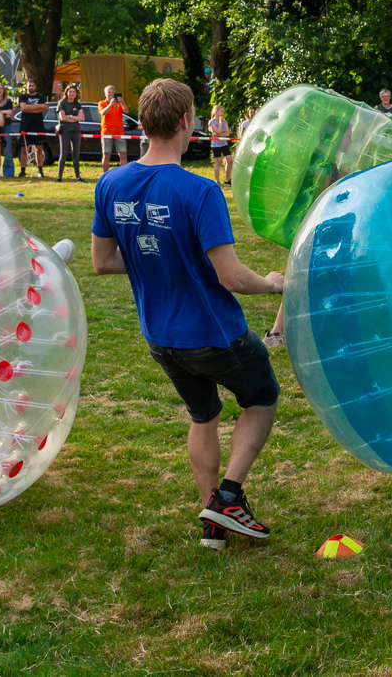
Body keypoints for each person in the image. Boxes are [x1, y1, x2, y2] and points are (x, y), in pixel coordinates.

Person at [91, 78, 286, 551]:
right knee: (262, 398)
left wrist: (154, 260)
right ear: (185, 121)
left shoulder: (110, 183)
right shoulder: (198, 191)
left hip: (161, 336)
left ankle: (213, 524)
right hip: (214, 333)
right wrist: (274, 284)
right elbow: (233, 278)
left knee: (203, 415)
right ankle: (228, 499)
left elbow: (103, 262)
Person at [17, 81, 51, 177]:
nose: (31, 87)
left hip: (38, 125)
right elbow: (23, 107)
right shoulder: (22, 97)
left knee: (39, 149)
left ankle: (40, 171)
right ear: (26, 86)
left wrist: (28, 108)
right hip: (26, 126)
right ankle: (23, 171)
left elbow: (41, 109)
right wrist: (39, 106)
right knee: (24, 149)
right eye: (29, 85)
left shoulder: (40, 97)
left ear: (36, 86)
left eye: (33, 85)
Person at [56, 82, 86, 181]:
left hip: (76, 131)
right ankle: (59, 177)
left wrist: (71, 116)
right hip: (65, 131)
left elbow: (82, 118)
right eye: (70, 92)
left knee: (76, 154)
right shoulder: (62, 103)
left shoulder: (77, 104)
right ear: (66, 93)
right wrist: (74, 118)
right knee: (63, 153)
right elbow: (62, 117)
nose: (72, 93)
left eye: (74, 92)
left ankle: (78, 177)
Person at [99, 86, 129, 172]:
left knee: (123, 154)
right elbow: (103, 112)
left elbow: (126, 111)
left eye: (112, 92)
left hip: (119, 131)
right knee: (106, 154)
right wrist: (110, 104)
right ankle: (105, 174)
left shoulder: (119, 104)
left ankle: (123, 174)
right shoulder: (102, 103)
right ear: (105, 94)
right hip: (107, 131)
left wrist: (122, 102)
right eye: (109, 92)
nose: (111, 94)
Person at [207, 105, 233, 185]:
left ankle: (227, 180)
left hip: (224, 144)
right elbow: (217, 131)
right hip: (216, 145)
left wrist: (219, 134)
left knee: (230, 160)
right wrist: (220, 123)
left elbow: (227, 133)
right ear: (216, 112)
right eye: (221, 112)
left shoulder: (224, 121)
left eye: (223, 112)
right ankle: (217, 181)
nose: (222, 113)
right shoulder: (212, 122)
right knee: (217, 162)